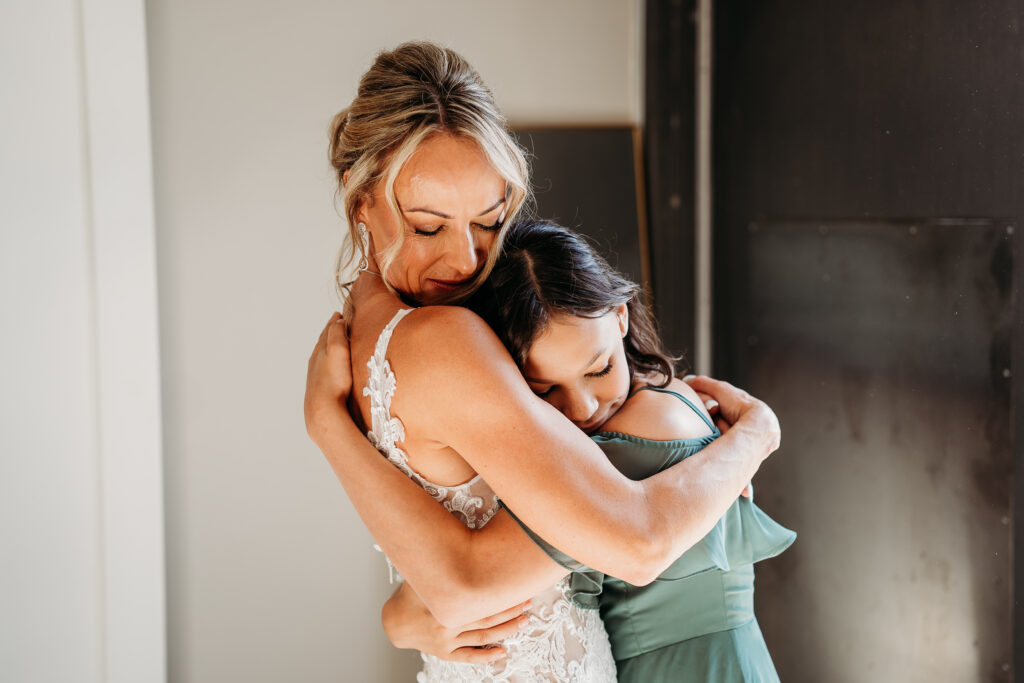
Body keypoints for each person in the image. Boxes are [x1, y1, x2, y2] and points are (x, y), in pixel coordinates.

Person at [304, 41, 781, 681]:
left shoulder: (362, 336)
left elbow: (439, 564)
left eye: (489, 218)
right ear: (360, 200)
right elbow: (635, 544)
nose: (467, 260)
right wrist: (756, 435)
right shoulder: (443, 338)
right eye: (427, 226)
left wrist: (329, 430)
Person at [444, 219, 792, 681]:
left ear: (622, 317)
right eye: (545, 390)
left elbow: (472, 582)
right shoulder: (667, 400)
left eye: (599, 368)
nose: (583, 407)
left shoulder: (638, 437)